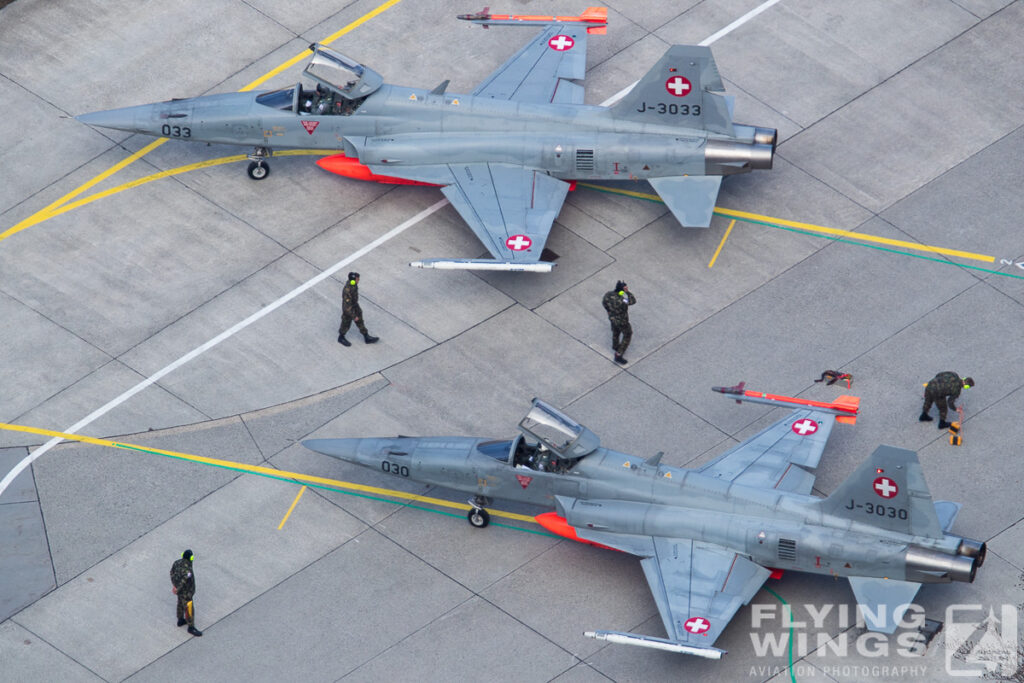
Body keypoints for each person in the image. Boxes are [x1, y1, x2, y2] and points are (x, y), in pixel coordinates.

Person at [337, 272, 379, 346]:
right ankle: (341, 337)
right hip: (349, 310)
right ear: (353, 280)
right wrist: (353, 316)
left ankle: (366, 336)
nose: (358, 279)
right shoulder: (347, 290)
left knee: (360, 320)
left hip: (354, 306)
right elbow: (346, 307)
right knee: (346, 323)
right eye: (357, 278)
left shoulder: (354, 285)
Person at [602, 280, 636, 364]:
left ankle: (615, 346)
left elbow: (604, 303)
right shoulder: (622, 300)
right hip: (622, 321)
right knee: (627, 334)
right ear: (622, 290)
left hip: (612, 318)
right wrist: (627, 292)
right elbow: (632, 301)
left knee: (615, 332)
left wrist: (609, 312)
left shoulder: (608, 294)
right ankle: (619, 354)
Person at [170, 549, 202, 636]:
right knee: (189, 608)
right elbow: (184, 580)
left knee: (180, 604)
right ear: (191, 558)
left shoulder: (176, 563)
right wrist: (178, 588)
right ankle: (191, 627)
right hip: (186, 592)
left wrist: (175, 585)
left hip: (179, 591)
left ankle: (180, 620)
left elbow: (171, 573)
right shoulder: (188, 570)